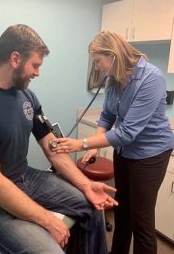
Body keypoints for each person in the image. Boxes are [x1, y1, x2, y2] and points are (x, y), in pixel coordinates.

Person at [0, 24, 118, 254]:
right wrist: (48, 220)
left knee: (91, 206)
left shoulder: (27, 95)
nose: (38, 73)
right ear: (15, 58)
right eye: (35, 65)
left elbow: (53, 149)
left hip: (24, 176)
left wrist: (86, 185)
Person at [52, 31, 174, 254]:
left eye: (98, 61)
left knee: (141, 219)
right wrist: (95, 147)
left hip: (151, 154)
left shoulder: (151, 79)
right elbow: (108, 115)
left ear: (113, 55)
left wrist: (82, 144)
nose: (97, 67)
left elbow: (127, 132)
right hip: (124, 151)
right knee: (122, 210)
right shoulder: (113, 79)